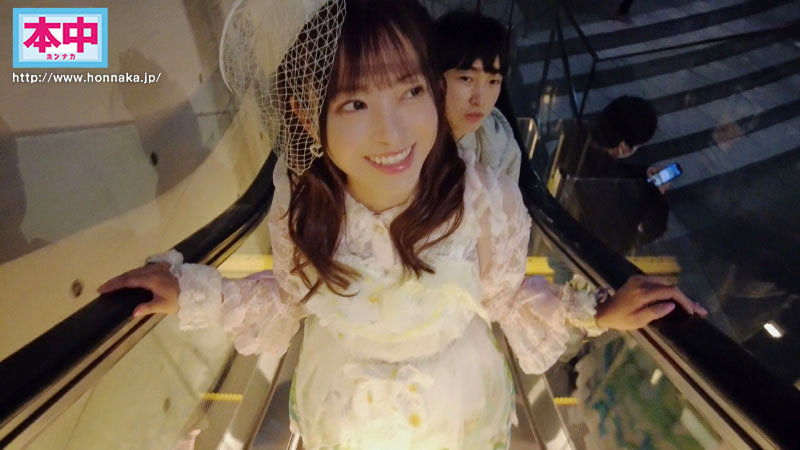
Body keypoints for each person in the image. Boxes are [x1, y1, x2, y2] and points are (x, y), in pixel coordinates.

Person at [98, 1, 706, 448]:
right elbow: (289, 297)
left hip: (453, 397)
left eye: (411, 91)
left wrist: (600, 311)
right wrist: (191, 292)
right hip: (343, 397)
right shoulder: (302, 205)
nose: (391, 132)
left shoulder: (485, 199)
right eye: (355, 103)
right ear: (307, 115)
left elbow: (508, 296)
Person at [552, 95, 669, 255]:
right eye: (636, 147)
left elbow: (614, 168)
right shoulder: (611, 190)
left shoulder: (574, 139)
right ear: (623, 146)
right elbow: (641, 233)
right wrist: (657, 195)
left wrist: (643, 173)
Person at [434, 10, 521, 180]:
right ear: (433, 77)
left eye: (493, 81)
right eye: (466, 79)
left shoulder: (504, 149)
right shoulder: (406, 142)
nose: (479, 100)